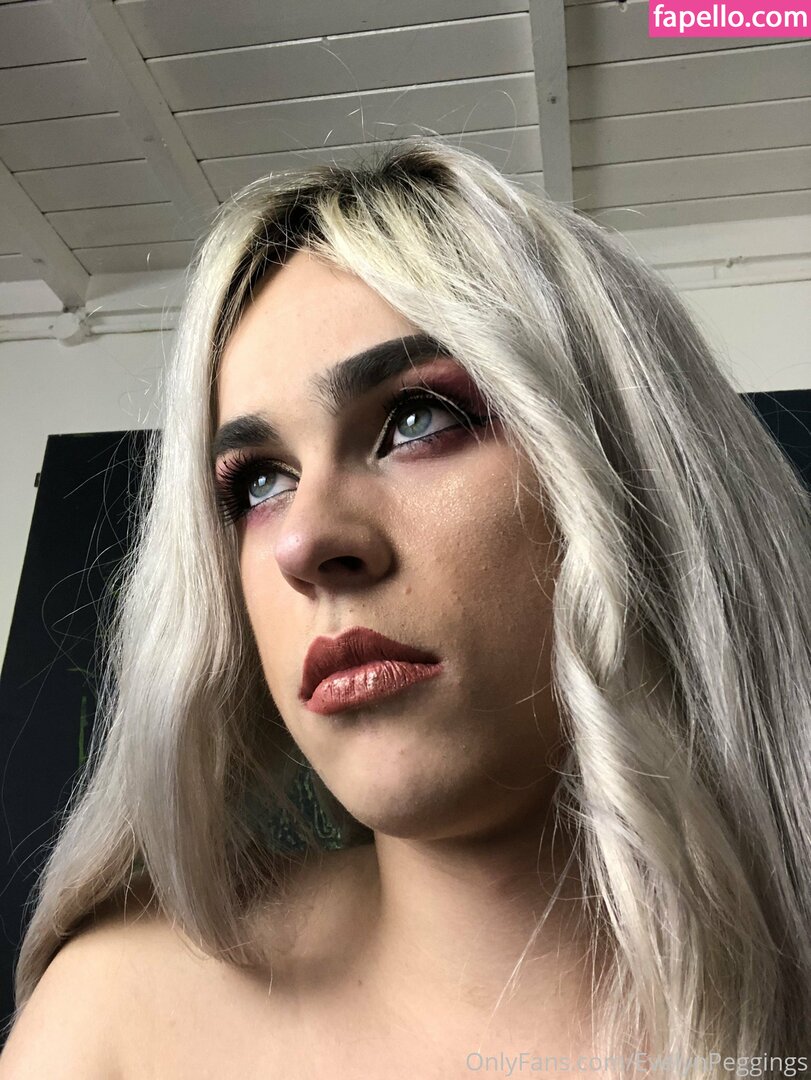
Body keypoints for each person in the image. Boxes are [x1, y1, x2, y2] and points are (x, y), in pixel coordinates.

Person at [1, 138, 809, 1078]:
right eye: (258, 483)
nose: (304, 543)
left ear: (636, 478)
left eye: (417, 419)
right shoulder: (114, 1024)